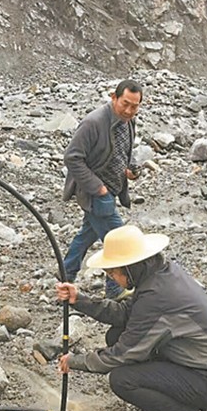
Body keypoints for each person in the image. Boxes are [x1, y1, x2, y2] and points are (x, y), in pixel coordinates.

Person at [55, 225, 207, 411]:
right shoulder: (159, 275)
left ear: (130, 268)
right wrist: (79, 300)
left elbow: (124, 353)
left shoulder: (158, 295)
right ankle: (170, 395)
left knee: (123, 380)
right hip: (203, 364)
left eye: (113, 273)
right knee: (116, 334)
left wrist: (76, 361)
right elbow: (125, 314)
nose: (111, 278)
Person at [61, 79, 143, 300]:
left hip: (112, 190)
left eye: (134, 106)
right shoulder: (93, 123)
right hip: (96, 194)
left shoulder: (128, 121)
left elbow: (124, 151)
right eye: (125, 104)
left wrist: (130, 170)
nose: (129, 110)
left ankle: (65, 276)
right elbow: (72, 157)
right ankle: (115, 290)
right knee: (118, 240)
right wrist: (99, 188)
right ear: (113, 97)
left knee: (86, 235)